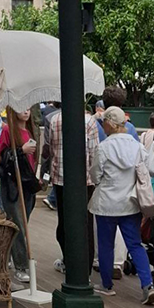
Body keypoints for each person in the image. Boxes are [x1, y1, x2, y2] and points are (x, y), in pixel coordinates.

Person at [88, 107, 154, 305]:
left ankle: (107, 284)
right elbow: (146, 170)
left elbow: (95, 175)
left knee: (106, 244)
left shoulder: (104, 147)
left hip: (106, 203)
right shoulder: (137, 146)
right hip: (131, 203)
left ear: (109, 124)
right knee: (135, 244)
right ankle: (147, 285)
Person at [45, 101, 100, 274]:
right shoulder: (89, 121)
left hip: (60, 178)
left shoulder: (54, 120)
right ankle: (85, 268)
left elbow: (51, 148)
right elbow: (94, 152)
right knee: (85, 224)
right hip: (85, 180)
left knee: (64, 222)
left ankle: (68, 260)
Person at [0, 107, 40, 286]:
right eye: (22, 108)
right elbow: (0, 157)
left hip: (28, 183)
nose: (26, 112)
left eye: (28, 108)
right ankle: (21, 265)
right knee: (18, 225)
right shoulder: (8, 130)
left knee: (21, 223)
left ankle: (8, 257)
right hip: (13, 183)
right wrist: (21, 150)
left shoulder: (30, 131)